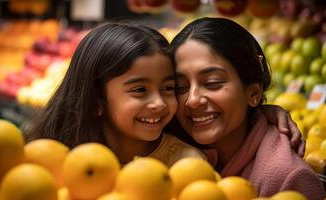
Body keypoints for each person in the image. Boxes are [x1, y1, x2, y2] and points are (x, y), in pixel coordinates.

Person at [167, 17, 325, 199]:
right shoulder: (164, 145)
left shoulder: (288, 180)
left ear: (253, 92)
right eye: (180, 87)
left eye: (212, 83)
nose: (192, 100)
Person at [27, 22, 206, 166]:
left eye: (168, 88)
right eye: (140, 90)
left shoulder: (186, 163)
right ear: (96, 100)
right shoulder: (56, 158)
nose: (159, 103)